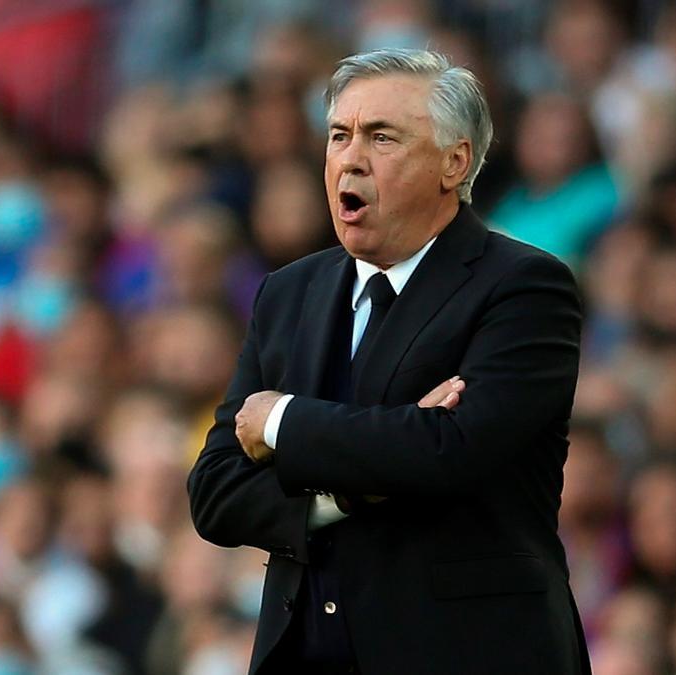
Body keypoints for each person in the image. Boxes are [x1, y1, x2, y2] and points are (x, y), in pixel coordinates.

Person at [187, 49, 590, 674]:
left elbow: (450, 451)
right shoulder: (289, 292)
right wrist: (351, 492)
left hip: (468, 655)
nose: (351, 157)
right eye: (340, 135)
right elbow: (215, 493)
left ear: (454, 163)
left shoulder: (524, 286)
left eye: (382, 137)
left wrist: (280, 423)